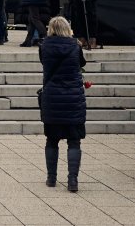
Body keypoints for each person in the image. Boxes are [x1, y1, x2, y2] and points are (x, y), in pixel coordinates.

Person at [39, 16, 86, 192]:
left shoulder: (44, 46)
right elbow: (81, 63)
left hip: (52, 98)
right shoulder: (76, 46)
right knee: (74, 141)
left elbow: (44, 63)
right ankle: (73, 180)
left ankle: (51, 178)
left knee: (52, 140)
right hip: (73, 98)